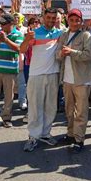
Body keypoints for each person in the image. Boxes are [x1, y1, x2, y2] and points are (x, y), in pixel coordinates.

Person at [21, 8, 63, 152]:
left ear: (58, 18)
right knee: (35, 107)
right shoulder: (34, 33)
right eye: (49, 17)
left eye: (54, 18)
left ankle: (45, 133)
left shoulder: (60, 33)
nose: (51, 20)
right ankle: (33, 136)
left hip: (53, 74)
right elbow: (22, 49)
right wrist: (27, 39)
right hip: (36, 75)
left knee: (51, 107)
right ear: (43, 17)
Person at [56, 9, 91, 153]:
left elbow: (87, 55)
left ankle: (79, 139)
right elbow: (57, 54)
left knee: (81, 112)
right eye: (72, 20)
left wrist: (71, 52)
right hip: (67, 79)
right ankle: (70, 134)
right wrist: (61, 53)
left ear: (81, 21)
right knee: (69, 110)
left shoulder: (86, 35)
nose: (74, 23)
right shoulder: (64, 35)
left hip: (82, 79)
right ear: (68, 20)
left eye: (77, 20)